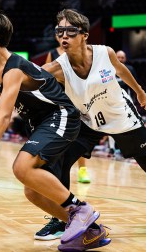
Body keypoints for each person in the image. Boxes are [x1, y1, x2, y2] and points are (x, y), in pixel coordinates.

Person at [0, 11, 110, 250]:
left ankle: (81, 209)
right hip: (41, 124)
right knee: (33, 191)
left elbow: (5, 116)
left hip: (61, 116)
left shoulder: (14, 67)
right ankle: (91, 232)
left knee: (21, 167)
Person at [41, 9, 146, 232]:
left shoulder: (106, 53)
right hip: (87, 119)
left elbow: (121, 70)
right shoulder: (57, 66)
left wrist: (140, 91)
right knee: (60, 161)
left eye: (70, 31)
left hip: (119, 115)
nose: (63, 36)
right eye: (60, 31)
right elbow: (26, 79)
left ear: (84, 35)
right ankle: (63, 215)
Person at [46, 39, 91, 184]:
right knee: (57, 135)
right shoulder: (52, 54)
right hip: (56, 98)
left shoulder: (76, 53)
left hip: (76, 97)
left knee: (78, 135)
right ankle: (54, 168)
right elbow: (45, 76)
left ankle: (82, 169)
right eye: (60, 33)